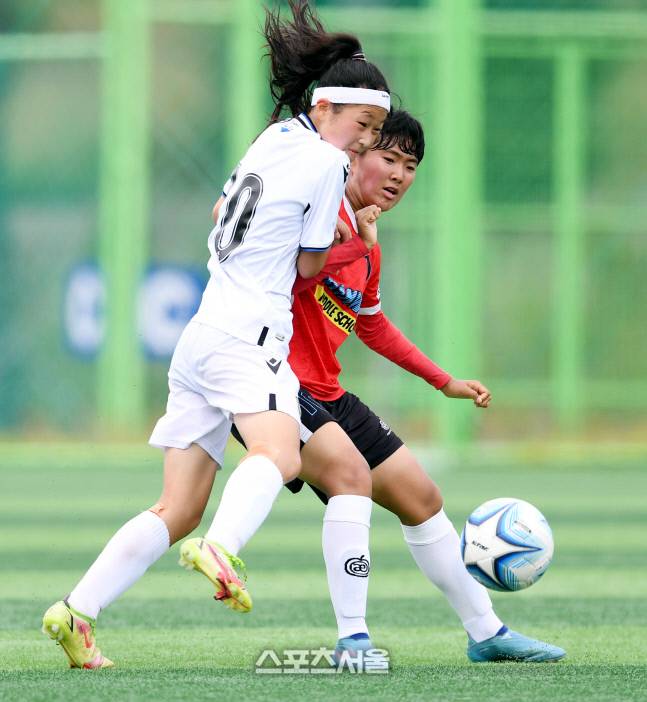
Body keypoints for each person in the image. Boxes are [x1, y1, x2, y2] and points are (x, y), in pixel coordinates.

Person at [41, 0, 390, 669]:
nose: (366, 142)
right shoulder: (325, 164)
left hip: (202, 334)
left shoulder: (275, 137)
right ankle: (224, 547)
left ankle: (76, 611)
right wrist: (350, 237)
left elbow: (219, 208)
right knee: (279, 455)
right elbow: (310, 267)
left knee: (177, 508)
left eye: (374, 131)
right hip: (250, 336)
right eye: (361, 125)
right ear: (324, 107)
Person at [211, 109, 566, 663]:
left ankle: (487, 633)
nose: (399, 174)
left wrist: (443, 382)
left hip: (327, 392)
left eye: (411, 165)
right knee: (351, 478)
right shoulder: (320, 214)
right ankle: (353, 639)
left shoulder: (366, 240)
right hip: (275, 383)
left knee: (422, 498)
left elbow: (372, 324)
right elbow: (289, 277)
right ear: (354, 155)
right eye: (389, 157)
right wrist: (357, 244)